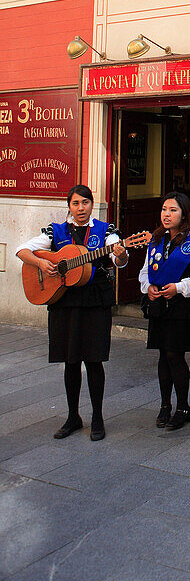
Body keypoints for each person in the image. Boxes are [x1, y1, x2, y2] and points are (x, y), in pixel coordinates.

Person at [15, 184, 128, 441]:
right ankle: (73, 416)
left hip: (94, 300)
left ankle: (97, 417)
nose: (81, 208)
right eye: (76, 203)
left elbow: (119, 259)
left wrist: (120, 253)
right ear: (69, 206)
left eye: (85, 203)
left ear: (91, 204)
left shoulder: (106, 230)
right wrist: (42, 262)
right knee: (70, 359)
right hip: (64, 300)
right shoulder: (55, 231)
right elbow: (22, 250)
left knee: (94, 359)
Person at [139, 192, 190, 431]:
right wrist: (148, 287)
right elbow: (146, 270)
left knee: (174, 355)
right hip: (160, 306)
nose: (166, 215)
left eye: (173, 210)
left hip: (184, 306)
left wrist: (178, 288)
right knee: (162, 355)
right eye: (164, 210)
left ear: (184, 214)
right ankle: (165, 405)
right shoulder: (157, 238)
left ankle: (183, 407)